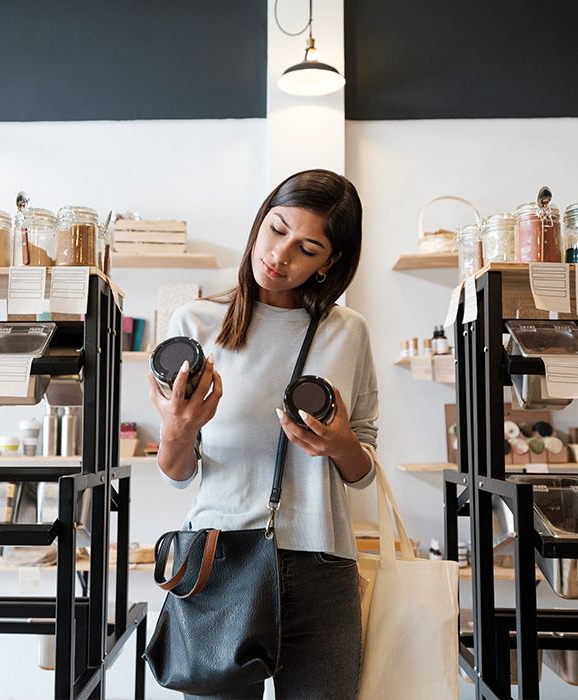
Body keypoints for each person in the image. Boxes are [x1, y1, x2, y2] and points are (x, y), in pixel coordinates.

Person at [149, 169, 378, 700]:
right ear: (260, 221)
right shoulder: (196, 324)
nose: (280, 256)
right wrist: (178, 431)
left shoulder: (349, 333)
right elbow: (177, 473)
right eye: (276, 230)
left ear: (331, 262)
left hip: (322, 569)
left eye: (307, 248)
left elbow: (363, 472)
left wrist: (339, 443)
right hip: (217, 559)